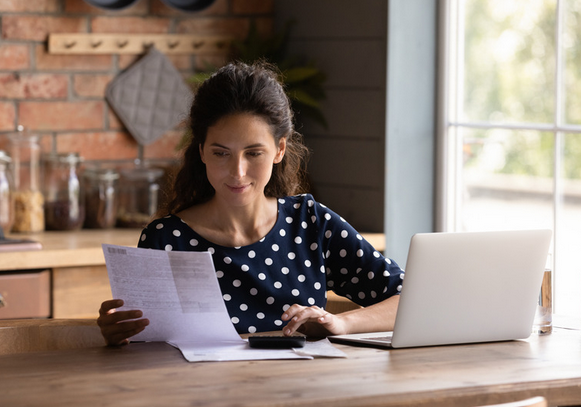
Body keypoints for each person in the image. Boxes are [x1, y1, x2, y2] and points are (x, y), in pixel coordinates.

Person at [97, 61, 404, 346]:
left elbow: (411, 297)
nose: (238, 171)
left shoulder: (311, 223)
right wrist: (119, 335)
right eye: (221, 153)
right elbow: (145, 345)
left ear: (279, 149)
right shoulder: (165, 239)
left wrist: (339, 322)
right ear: (201, 151)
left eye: (254, 153)